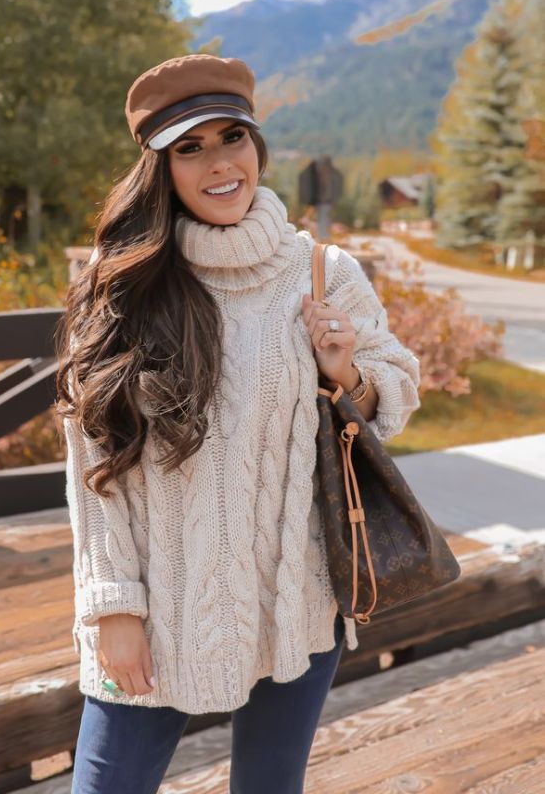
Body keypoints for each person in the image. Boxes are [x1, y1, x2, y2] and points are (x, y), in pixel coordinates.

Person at [56, 53, 421, 794]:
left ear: (257, 144)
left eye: (233, 138)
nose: (220, 163)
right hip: (157, 607)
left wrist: (346, 371)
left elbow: (398, 391)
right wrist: (112, 606)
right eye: (190, 148)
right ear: (160, 168)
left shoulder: (322, 271)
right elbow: (90, 455)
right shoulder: (121, 280)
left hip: (297, 600)